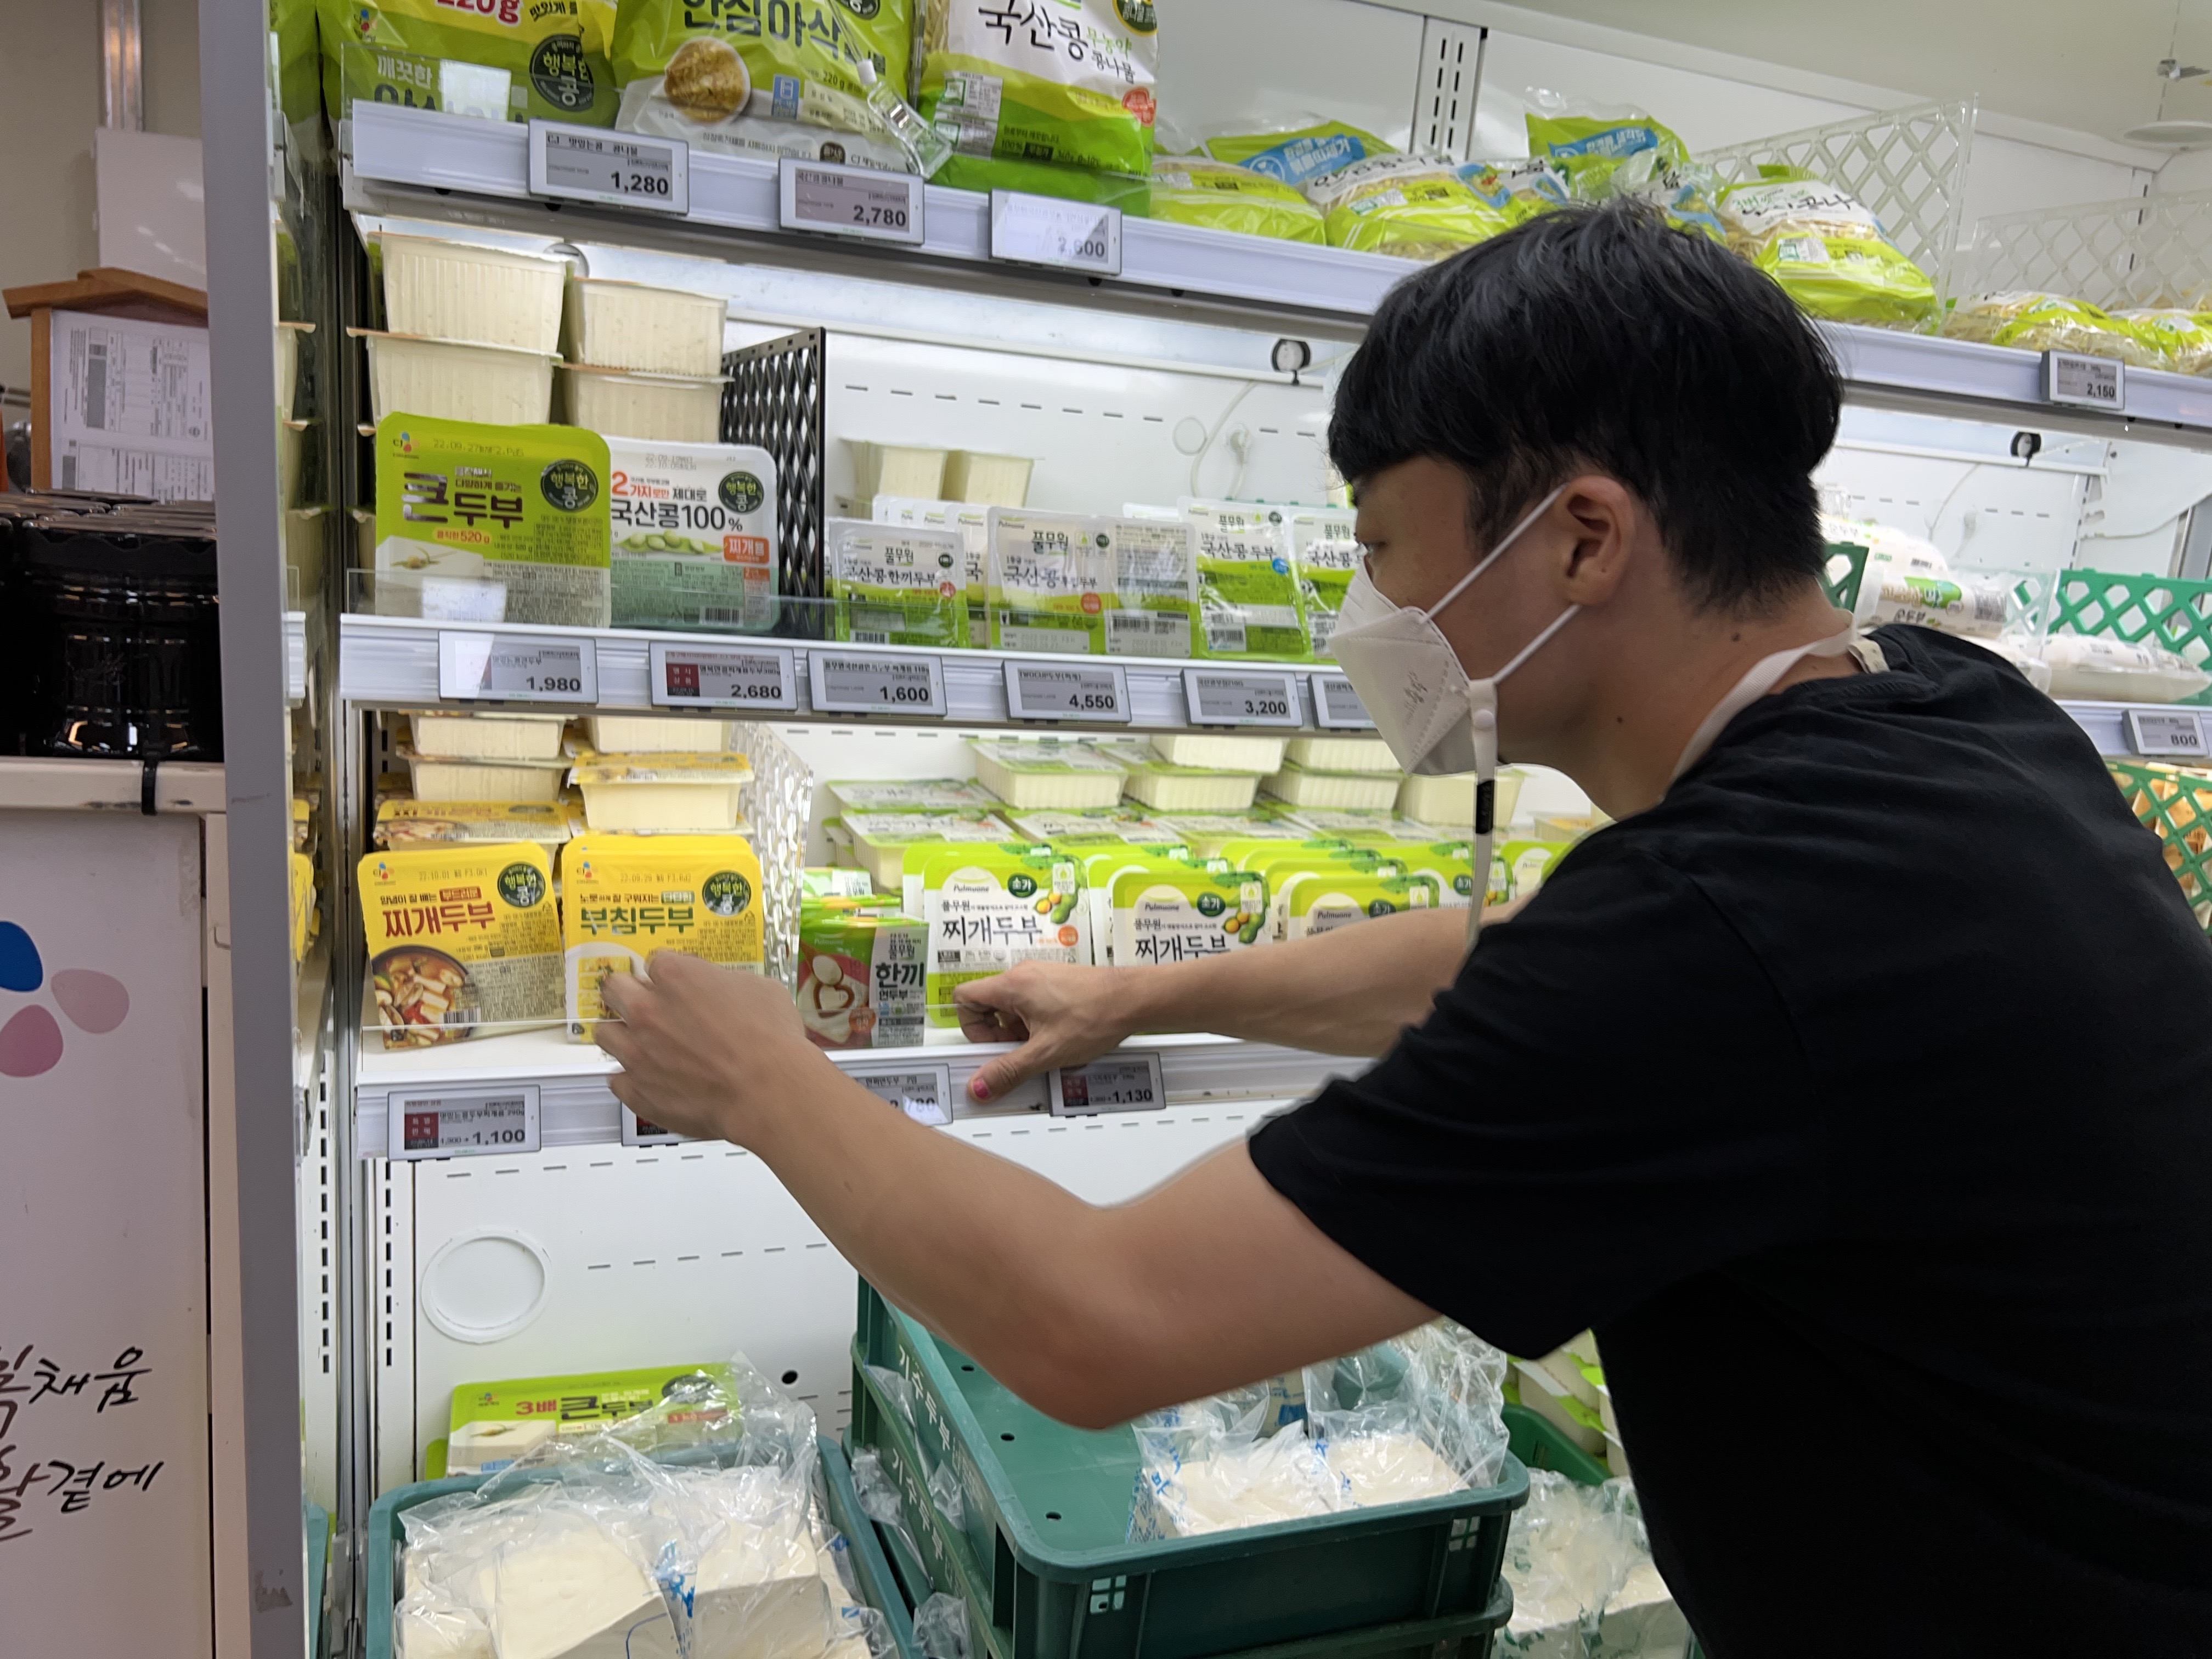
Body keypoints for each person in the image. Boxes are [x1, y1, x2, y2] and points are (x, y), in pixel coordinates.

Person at [597, 205, 2212, 1652]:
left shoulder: (1717, 933)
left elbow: (1100, 1323)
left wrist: (761, 1081)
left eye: (1381, 547)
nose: (1367, 612)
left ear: (1582, 537)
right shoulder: (1937, 710)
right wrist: (1144, 995)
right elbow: (1521, 946)